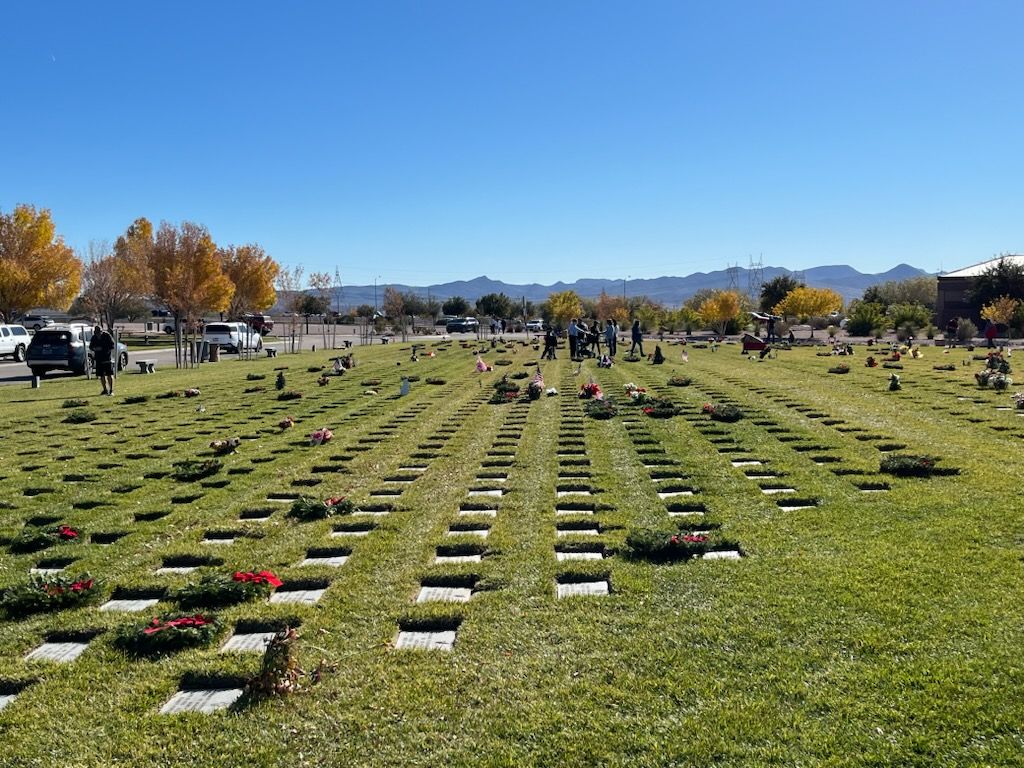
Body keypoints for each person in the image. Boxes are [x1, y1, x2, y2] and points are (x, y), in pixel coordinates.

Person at [89, 325, 116, 396]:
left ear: (101, 331)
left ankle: (111, 390)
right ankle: (105, 389)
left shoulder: (107, 335)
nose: (98, 334)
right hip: (99, 358)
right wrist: (95, 348)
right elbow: (91, 346)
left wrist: (103, 349)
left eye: (99, 333)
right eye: (97, 333)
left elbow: (112, 345)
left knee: (109, 374)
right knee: (101, 375)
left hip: (107, 358)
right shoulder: (94, 337)